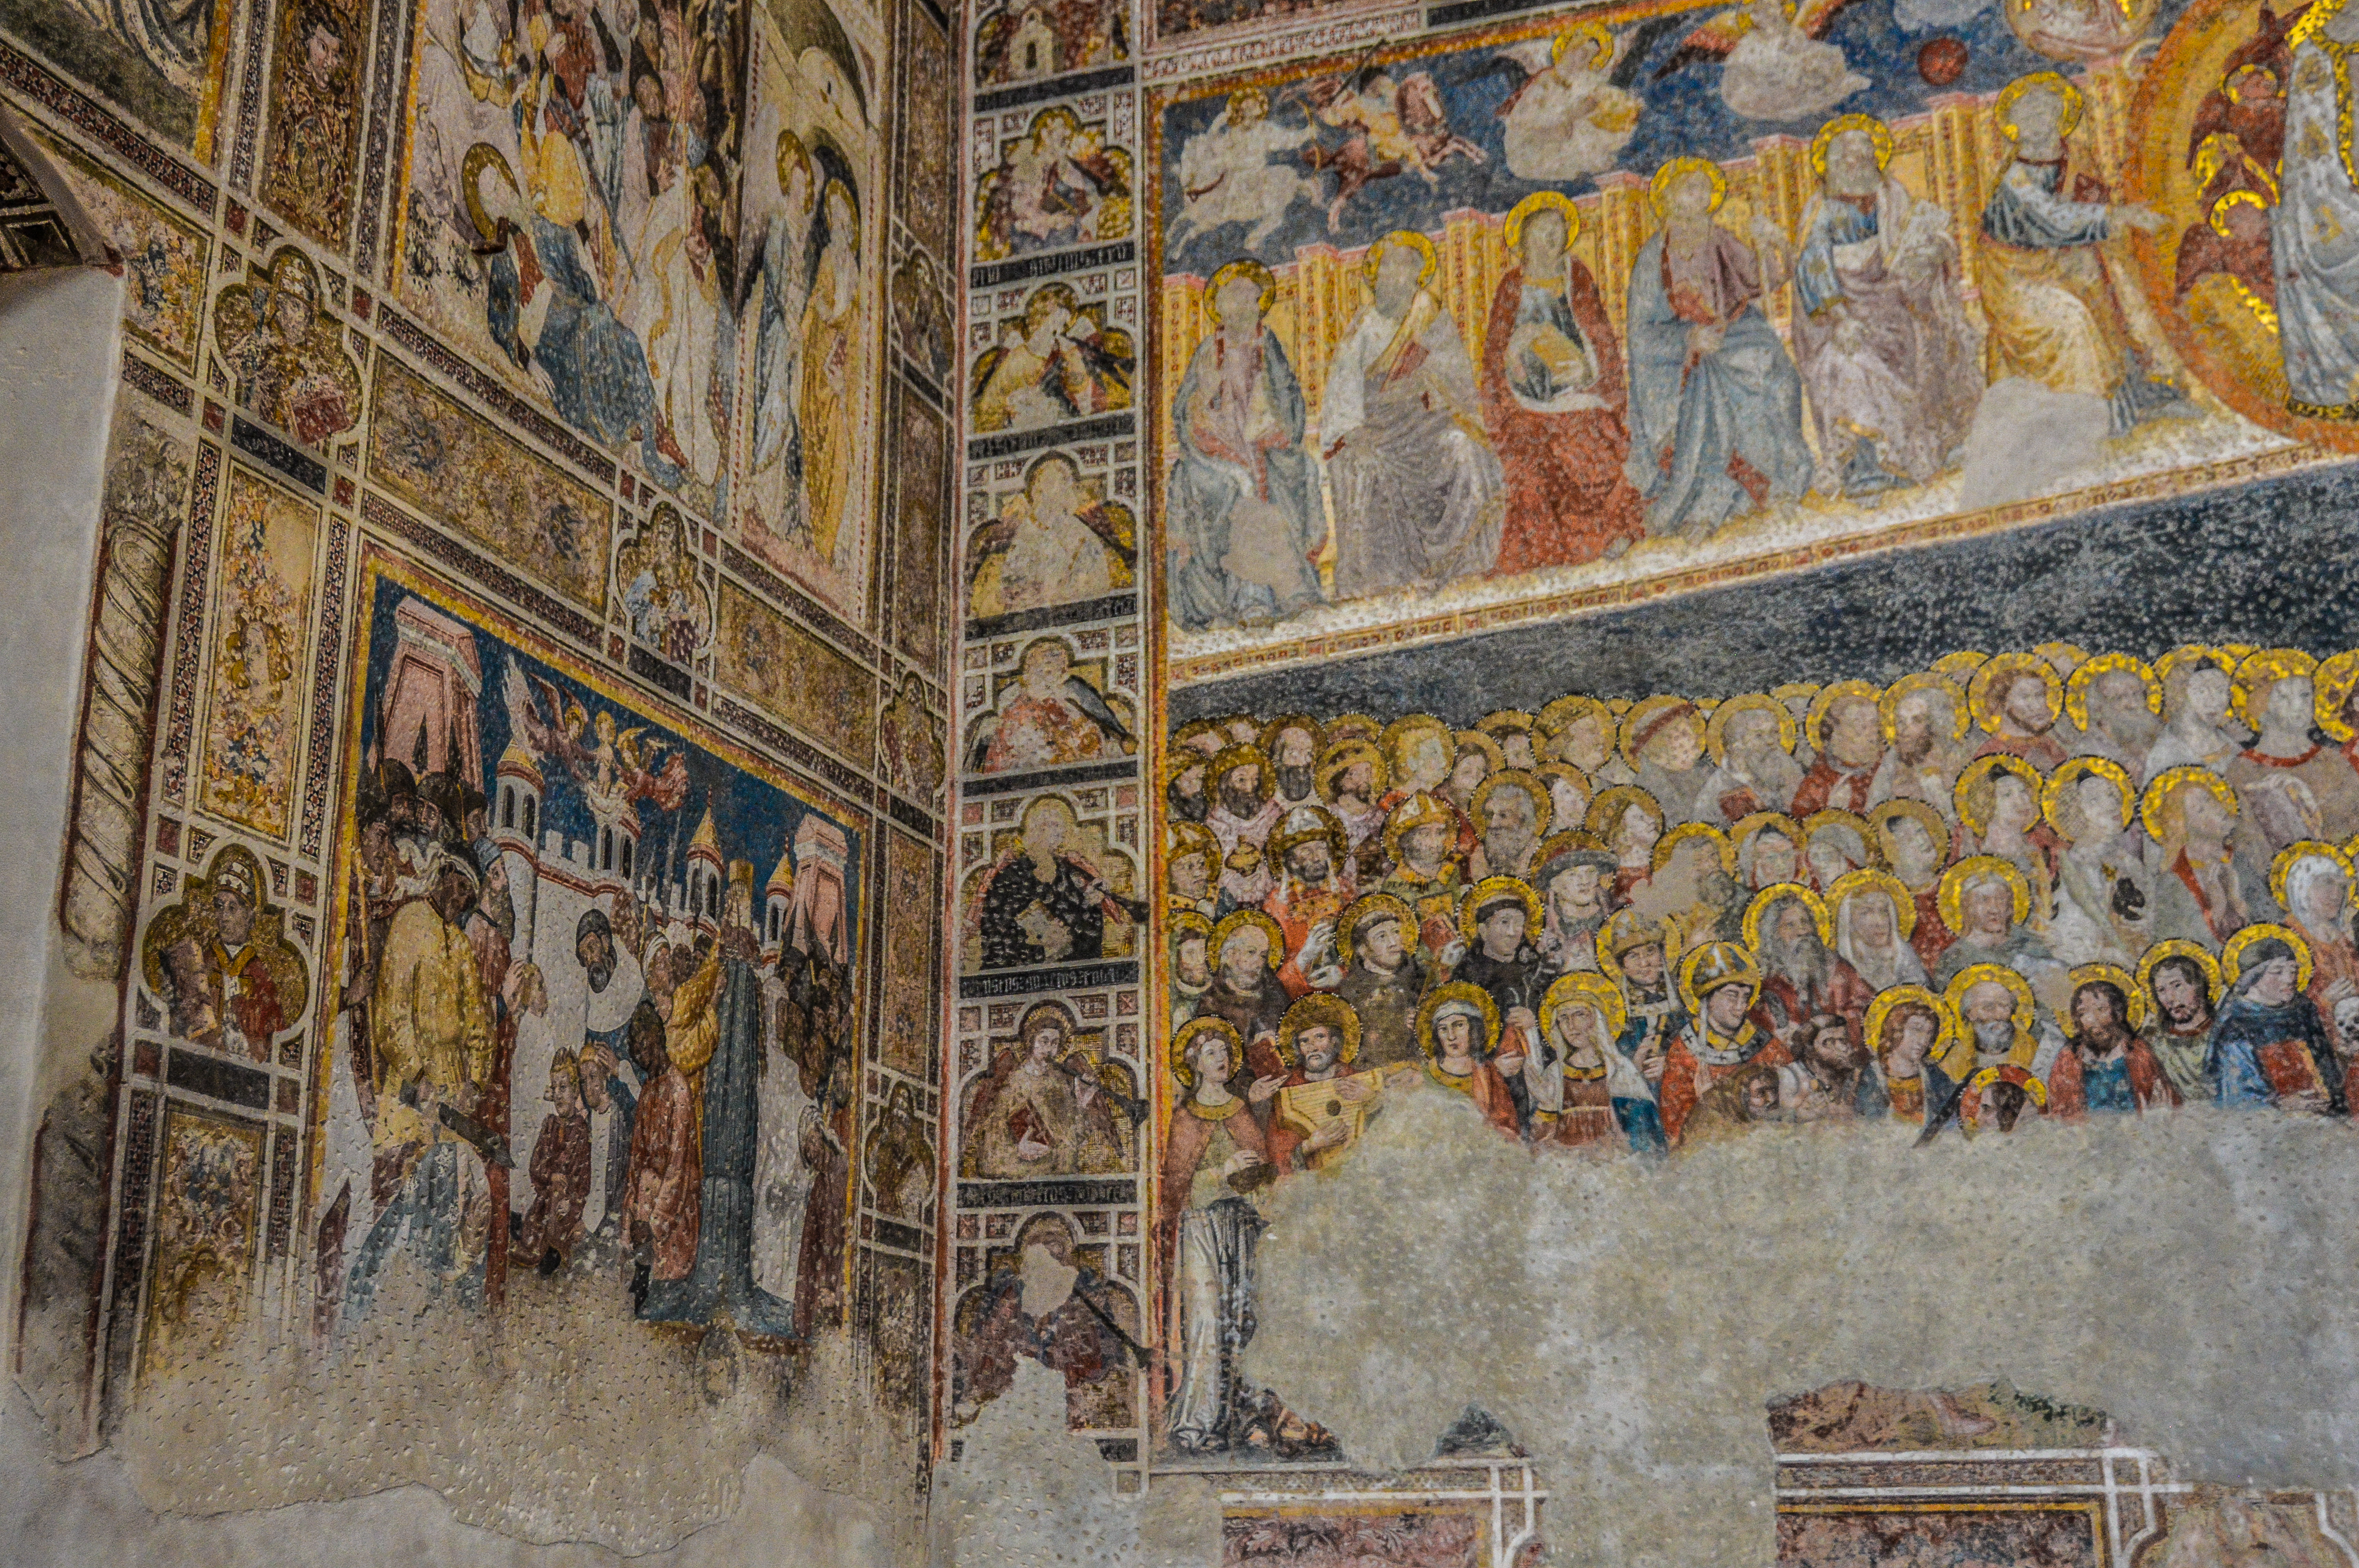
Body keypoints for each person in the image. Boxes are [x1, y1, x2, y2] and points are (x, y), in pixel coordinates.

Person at [1623, 157, 1816, 540]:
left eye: (1703, 188)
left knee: (1776, 373)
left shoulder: (1720, 238)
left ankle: (1782, 480)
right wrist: (1687, 340)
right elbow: (1641, 331)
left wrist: (1771, 244)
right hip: (1682, 351)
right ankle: (1712, 496)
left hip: (1738, 329)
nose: (1698, 196)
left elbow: (1764, 280)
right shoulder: (1652, 256)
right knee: (1707, 380)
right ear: (1669, 198)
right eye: (1688, 188)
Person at [343, 848, 496, 1328]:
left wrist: (475, 1080)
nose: (465, 899)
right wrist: (419, 1076)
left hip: (451, 1090)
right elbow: (390, 1014)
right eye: (462, 887)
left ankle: (443, 1323)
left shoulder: (462, 944)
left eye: (472, 895)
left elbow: (479, 1023)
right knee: (400, 1205)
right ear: (446, 874)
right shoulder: (411, 921)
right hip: (410, 1089)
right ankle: (372, 1319)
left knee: (457, 1208)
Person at [1976, 73, 2177, 432]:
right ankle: (2093, 418)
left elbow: (2094, 201)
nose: (2037, 122)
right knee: (2074, 317)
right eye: (2028, 115)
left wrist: (2117, 220)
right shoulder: (2015, 178)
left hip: (2075, 262)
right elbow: (2054, 219)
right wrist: (2120, 217)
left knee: (2125, 290)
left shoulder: (2077, 156)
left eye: (2045, 112)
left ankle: (2137, 393)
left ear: (2060, 116)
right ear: (2015, 126)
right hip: (2020, 280)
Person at [1788, 114, 1980, 491]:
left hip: (1898, 309)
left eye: (1864, 154)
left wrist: (1936, 251)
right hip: (1842, 315)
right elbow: (1814, 270)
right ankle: (1866, 463)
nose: (1855, 162)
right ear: (1829, 162)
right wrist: (1842, 319)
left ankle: (1926, 448)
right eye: (1845, 155)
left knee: (1934, 342)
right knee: (1846, 364)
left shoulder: (1892, 198)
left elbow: (1912, 252)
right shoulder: (1821, 211)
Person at [1324, 230, 1505, 599]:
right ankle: (1385, 580)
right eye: (1388, 266)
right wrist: (1354, 433)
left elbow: (1457, 386)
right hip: (1377, 431)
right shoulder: (1364, 326)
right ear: (1375, 277)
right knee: (1364, 468)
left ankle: (1462, 563)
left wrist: (1427, 388)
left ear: (1419, 275)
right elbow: (1342, 393)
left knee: (1464, 450)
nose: (1397, 275)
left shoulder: (1431, 320)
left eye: (1406, 266)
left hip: (1426, 426)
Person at [1479, 192, 1647, 572]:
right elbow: (1494, 354)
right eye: (1541, 231)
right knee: (1529, 448)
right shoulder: (1510, 287)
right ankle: (1546, 551)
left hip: (1578, 391)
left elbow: (1598, 332)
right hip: (1525, 399)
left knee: (1587, 437)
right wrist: (1515, 355)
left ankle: (1608, 534)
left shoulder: (1576, 275)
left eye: (1557, 230)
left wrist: (1588, 372)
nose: (1551, 239)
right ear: (1523, 240)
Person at [1166, 260, 1326, 629]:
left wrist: (1277, 429)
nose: (1243, 307)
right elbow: (1186, 412)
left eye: (1251, 300)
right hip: (1213, 453)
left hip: (1263, 446)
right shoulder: (1209, 351)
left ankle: (1294, 590)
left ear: (1260, 306)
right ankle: (1252, 598)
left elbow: (1289, 398)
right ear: (1220, 308)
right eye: (1234, 300)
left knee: (1301, 469)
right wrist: (1207, 405)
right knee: (1242, 488)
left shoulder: (1267, 345)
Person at [1159, 1016, 1275, 1455]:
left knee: (1246, 1320)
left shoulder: (1241, 1110)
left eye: (1226, 1052)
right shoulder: (1186, 1117)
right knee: (1207, 1321)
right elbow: (1174, 1187)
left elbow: (1264, 1170)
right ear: (1194, 1062)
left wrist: (1255, 1180)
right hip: (1201, 1226)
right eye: (1212, 1053)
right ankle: (1197, 1422)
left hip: (1242, 1224)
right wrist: (1222, 1173)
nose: (1222, 1059)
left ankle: (1247, 1418)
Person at [2271, 0, 2359, 420]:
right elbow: (2306, 155)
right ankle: (2335, 383)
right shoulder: (2314, 52)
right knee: (2324, 248)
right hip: (2329, 202)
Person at [975, 796, 1148, 968]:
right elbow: (995, 934)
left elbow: (1086, 933)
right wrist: (1043, 950)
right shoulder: (1009, 878)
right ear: (1033, 830)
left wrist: (1090, 903)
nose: (1057, 832)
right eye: (1050, 825)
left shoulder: (1071, 874)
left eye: (1059, 826)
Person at [969, 452, 1127, 619]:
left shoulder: (1081, 533)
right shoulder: (1025, 532)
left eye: (1061, 484)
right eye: (1045, 484)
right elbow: (1011, 581)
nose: (1046, 493)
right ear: (1036, 490)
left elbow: (1096, 577)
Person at [1659, 941, 1787, 1143]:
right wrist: (1707, 1103)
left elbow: (1791, 1104)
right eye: (1732, 995)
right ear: (1708, 998)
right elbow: (1676, 1127)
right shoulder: (1685, 1050)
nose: (1741, 1007)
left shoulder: (1767, 1045)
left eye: (1746, 997)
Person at [2212, 930, 2344, 1111]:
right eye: (2277, 971)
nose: (2290, 979)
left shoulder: (2304, 1009)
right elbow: (2236, 1099)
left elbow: (2328, 1067)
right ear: (2253, 978)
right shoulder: (2236, 1024)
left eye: (2293, 970)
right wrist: (2282, 1105)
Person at [964, 1004, 1095, 1178]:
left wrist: (1081, 1105)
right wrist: (1021, 1146)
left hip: (1053, 1161)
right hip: (1019, 1160)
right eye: (1044, 1041)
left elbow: (1071, 1132)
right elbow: (997, 1126)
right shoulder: (1015, 1079)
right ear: (1032, 1042)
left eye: (1055, 1043)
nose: (1049, 1049)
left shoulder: (1060, 1080)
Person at [2143, 767, 2251, 948]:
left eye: (2210, 799)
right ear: (2183, 828)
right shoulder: (2174, 881)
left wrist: (2235, 898)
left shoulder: (2239, 860)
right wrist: (2217, 905)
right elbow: (2180, 943)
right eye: (2201, 810)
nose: (2215, 809)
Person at [2048, 970, 2177, 1116]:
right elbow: (2060, 1112)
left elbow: (2164, 1104)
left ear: (2119, 1012)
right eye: (2083, 1013)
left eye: (2101, 1010)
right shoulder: (2069, 1060)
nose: (2092, 1020)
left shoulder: (2139, 1053)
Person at [1334, 893, 1437, 1070]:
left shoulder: (1424, 978)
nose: (1393, 942)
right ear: (1362, 950)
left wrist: (1425, 1023)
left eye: (1397, 932)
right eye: (1381, 937)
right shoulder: (1351, 991)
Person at [1261, 806, 1354, 997]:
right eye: (1306, 850)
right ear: (1291, 861)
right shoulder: (1277, 905)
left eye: (1320, 848)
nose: (1316, 857)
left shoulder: (1346, 894)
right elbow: (1270, 978)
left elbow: (1365, 952)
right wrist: (1305, 957)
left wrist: (1344, 974)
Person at [515, 1051, 593, 1275]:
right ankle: (540, 1248)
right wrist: (551, 1176)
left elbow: (583, 1177)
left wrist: (572, 1201)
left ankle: (556, 1248)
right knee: (531, 1231)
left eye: (564, 1088)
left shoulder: (581, 1130)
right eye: (555, 1088)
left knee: (552, 1247)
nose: (559, 1095)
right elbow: (535, 1166)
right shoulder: (549, 1124)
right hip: (545, 1201)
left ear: (575, 1090)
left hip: (565, 1205)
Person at [1416, 984, 1521, 1138]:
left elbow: (1507, 1126)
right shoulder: (1423, 1074)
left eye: (1459, 1025)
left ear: (1474, 1028)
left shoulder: (1489, 1076)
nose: (1451, 1036)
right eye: (1443, 1029)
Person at [1931, 857, 2052, 988]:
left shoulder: (2030, 946)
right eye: (1984, 901)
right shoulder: (1955, 958)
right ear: (1968, 908)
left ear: (2010, 906)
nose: (1994, 909)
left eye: (2000, 900)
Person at [2141, 941, 2223, 1103]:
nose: (2170, 998)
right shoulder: (2155, 1044)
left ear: (2199, 985)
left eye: (2177, 986)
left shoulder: (2227, 1034)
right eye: (2161, 991)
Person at [1792, 682, 1885, 817]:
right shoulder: (1818, 782)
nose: (1870, 732)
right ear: (1835, 732)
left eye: (1874, 723)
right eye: (1858, 724)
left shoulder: (1887, 766)